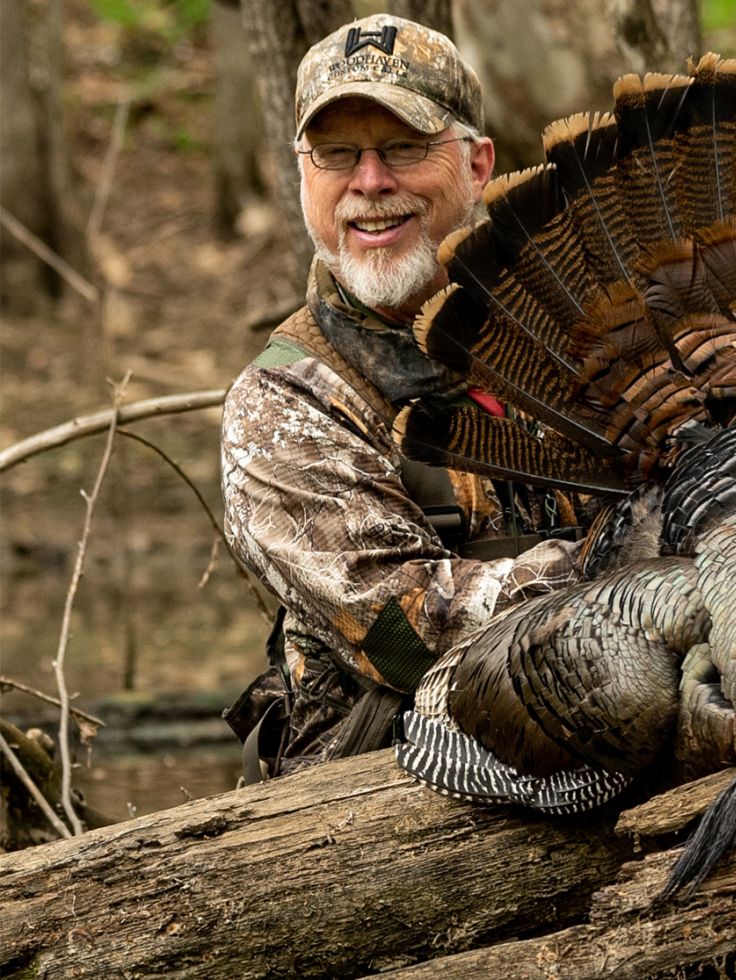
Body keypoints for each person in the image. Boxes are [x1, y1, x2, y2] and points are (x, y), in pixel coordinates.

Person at [221, 14, 586, 778]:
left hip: (608, 725)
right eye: (337, 154)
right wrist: (638, 565)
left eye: (404, 148)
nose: (370, 182)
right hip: (386, 793)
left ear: (478, 164)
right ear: (302, 174)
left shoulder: (576, 333)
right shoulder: (283, 403)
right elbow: (409, 633)